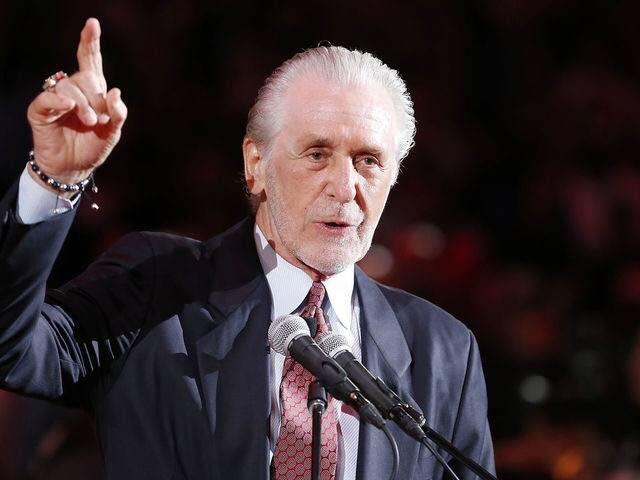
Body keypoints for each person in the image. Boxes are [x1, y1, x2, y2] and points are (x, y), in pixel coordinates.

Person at [0, 17, 495, 480]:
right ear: (255, 164)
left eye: (368, 161)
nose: (345, 187)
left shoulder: (443, 351)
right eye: (317, 154)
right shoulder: (155, 288)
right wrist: (53, 179)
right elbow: (12, 349)